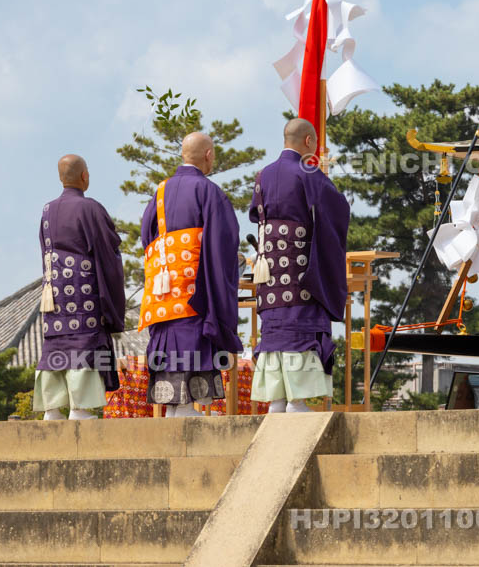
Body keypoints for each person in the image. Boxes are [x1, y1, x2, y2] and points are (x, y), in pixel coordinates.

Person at [248, 118, 349, 412]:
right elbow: (337, 210)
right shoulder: (308, 171)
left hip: (269, 275)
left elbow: (256, 217)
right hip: (300, 274)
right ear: (308, 141)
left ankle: (277, 400)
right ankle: (297, 400)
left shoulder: (262, 175)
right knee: (300, 330)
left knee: (275, 332)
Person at [139, 132, 242, 417]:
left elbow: (147, 238)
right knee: (191, 341)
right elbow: (224, 244)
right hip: (194, 292)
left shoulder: (159, 193)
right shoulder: (208, 191)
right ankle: (184, 409)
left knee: (170, 344)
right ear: (208, 155)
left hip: (163, 292)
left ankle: (176, 409)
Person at [35, 155, 125, 420]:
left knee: (56, 345)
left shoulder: (46, 211)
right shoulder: (91, 209)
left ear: (61, 178)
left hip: (53, 295)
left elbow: (45, 252)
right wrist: (112, 305)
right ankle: (80, 408)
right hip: (83, 292)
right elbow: (108, 256)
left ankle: (52, 409)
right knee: (83, 345)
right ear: (84, 176)